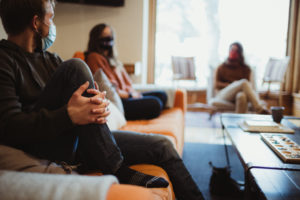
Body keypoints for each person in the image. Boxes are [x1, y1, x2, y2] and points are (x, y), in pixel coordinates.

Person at [0, 0, 204, 199]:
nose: (53, 25)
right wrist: (69, 115)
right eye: (50, 18)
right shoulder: (4, 60)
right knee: (75, 67)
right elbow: (10, 126)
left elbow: (79, 104)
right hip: (44, 145)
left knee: (163, 145)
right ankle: (116, 167)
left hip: (79, 140)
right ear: (36, 23)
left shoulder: (50, 59)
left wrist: (98, 105)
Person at [84, 23, 167, 120]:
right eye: (104, 37)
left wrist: (135, 94)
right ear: (96, 40)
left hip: (127, 96)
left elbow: (127, 83)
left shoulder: (112, 60)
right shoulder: (93, 57)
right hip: (120, 101)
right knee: (156, 103)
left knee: (162, 95)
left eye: (110, 37)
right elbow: (109, 89)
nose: (108, 41)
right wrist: (131, 95)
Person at [212, 42, 269, 114]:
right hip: (224, 94)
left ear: (240, 53)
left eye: (236, 50)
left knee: (241, 96)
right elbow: (216, 85)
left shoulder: (246, 69)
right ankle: (259, 108)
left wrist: (237, 86)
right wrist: (234, 85)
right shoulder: (221, 67)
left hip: (239, 94)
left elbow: (248, 87)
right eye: (232, 50)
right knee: (243, 82)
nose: (233, 52)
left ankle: (238, 123)